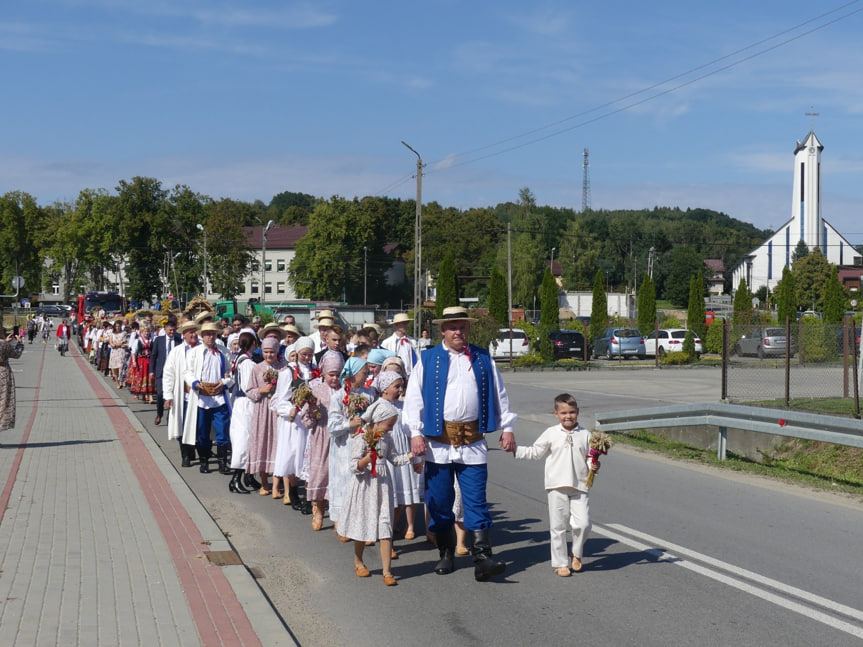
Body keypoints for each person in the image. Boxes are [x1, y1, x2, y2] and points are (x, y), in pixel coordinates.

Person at [404, 306, 517, 582]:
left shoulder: (482, 357)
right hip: (438, 445)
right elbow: (413, 399)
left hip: (473, 443)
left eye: (463, 327)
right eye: (453, 327)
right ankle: (446, 552)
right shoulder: (428, 359)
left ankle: (482, 558)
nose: (458, 331)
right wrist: (416, 433)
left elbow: (499, 394)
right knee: (440, 502)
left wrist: (508, 427)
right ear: (442, 330)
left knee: (476, 501)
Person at [514, 394, 597, 576]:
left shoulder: (586, 434)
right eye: (564, 412)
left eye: (572, 412)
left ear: (578, 412)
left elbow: (591, 457)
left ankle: (576, 553)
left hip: (580, 485)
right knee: (558, 527)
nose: (568, 416)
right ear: (556, 414)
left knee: (583, 524)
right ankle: (560, 564)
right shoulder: (551, 433)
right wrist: (515, 449)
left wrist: (593, 466)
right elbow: (536, 452)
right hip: (556, 485)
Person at [341, 399, 414, 586]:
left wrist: (412, 456)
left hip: (382, 485)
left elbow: (395, 459)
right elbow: (353, 466)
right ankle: (358, 560)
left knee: (385, 525)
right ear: (379, 421)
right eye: (389, 425)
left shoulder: (386, 438)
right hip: (365, 485)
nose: (391, 429)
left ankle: (387, 571)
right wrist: (367, 459)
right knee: (362, 523)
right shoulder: (361, 436)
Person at [327, 356, 373, 538]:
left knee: (361, 483)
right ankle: (340, 523)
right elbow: (332, 427)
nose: (367, 376)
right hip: (343, 447)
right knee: (344, 482)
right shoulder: (339, 397)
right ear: (353, 374)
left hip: (362, 444)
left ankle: (361, 524)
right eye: (364, 373)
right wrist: (349, 424)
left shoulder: (368, 394)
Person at [183, 322, 235, 474]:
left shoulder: (224, 352)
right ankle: (204, 461)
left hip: (219, 397)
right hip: (202, 398)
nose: (211, 337)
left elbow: (230, 373)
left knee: (222, 430)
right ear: (202, 336)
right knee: (202, 431)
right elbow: (187, 372)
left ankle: (222, 463)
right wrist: (194, 382)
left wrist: (225, 382)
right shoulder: (195, 352)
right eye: (208, 334)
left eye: (213, 334)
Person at [245, 337, 286, 495]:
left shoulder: (283, 368)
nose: (269, 355)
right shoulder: (257, 368)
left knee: (278, 444)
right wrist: (261, 391)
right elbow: (249, 391)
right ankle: (264, 483)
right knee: (261, 443)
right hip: (262, 410)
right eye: (266, 352)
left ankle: (276, 484)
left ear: (277, 352)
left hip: (277, 411)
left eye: (272, 352)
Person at [163, 321, 201, 467]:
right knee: (183, 425)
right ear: (184, 335)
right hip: (183, 396)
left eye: (194, 331)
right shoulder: (177, 352)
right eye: (189, 332)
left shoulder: (202, 349)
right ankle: (185, 454)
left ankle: (196, 450)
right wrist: (168, 395)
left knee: (198, 426)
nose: (193, 334)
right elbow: (168, 374)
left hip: (199, 396)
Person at [227, 332, 259, 494]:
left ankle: (248, 475)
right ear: (253, 342)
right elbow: (248, 388)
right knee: (243, 440)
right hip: (246, 404)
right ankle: (235, 479)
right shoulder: (246, 362)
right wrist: (263, 391)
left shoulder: (242, 359)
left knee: (249, 439)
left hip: (243, 403)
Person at [150, 317, 182, 426]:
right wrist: (151, 371)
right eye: (170, 330)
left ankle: (170, 416)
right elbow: (153, 356)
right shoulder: (159, 340)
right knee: (160, 394)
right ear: (165, 329)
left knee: (172, 395)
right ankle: (159, 413)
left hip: (175, 373)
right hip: (161, 372)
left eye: (174, 330)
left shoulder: (179, 340)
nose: (172, 332)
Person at [0, 326, 25, 432]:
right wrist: (20, 343)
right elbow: (16, 354)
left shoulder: (3, 343)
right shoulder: (3, 344)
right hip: (2, 373)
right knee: (3, 402)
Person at [380, 313, 418, 377]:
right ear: (396, 325)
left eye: (407, 323)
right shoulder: (387, 343)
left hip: (409, 375)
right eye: (404, 323)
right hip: (392, 374)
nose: (406, 326)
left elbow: (417, 358)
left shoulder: (412, 341)